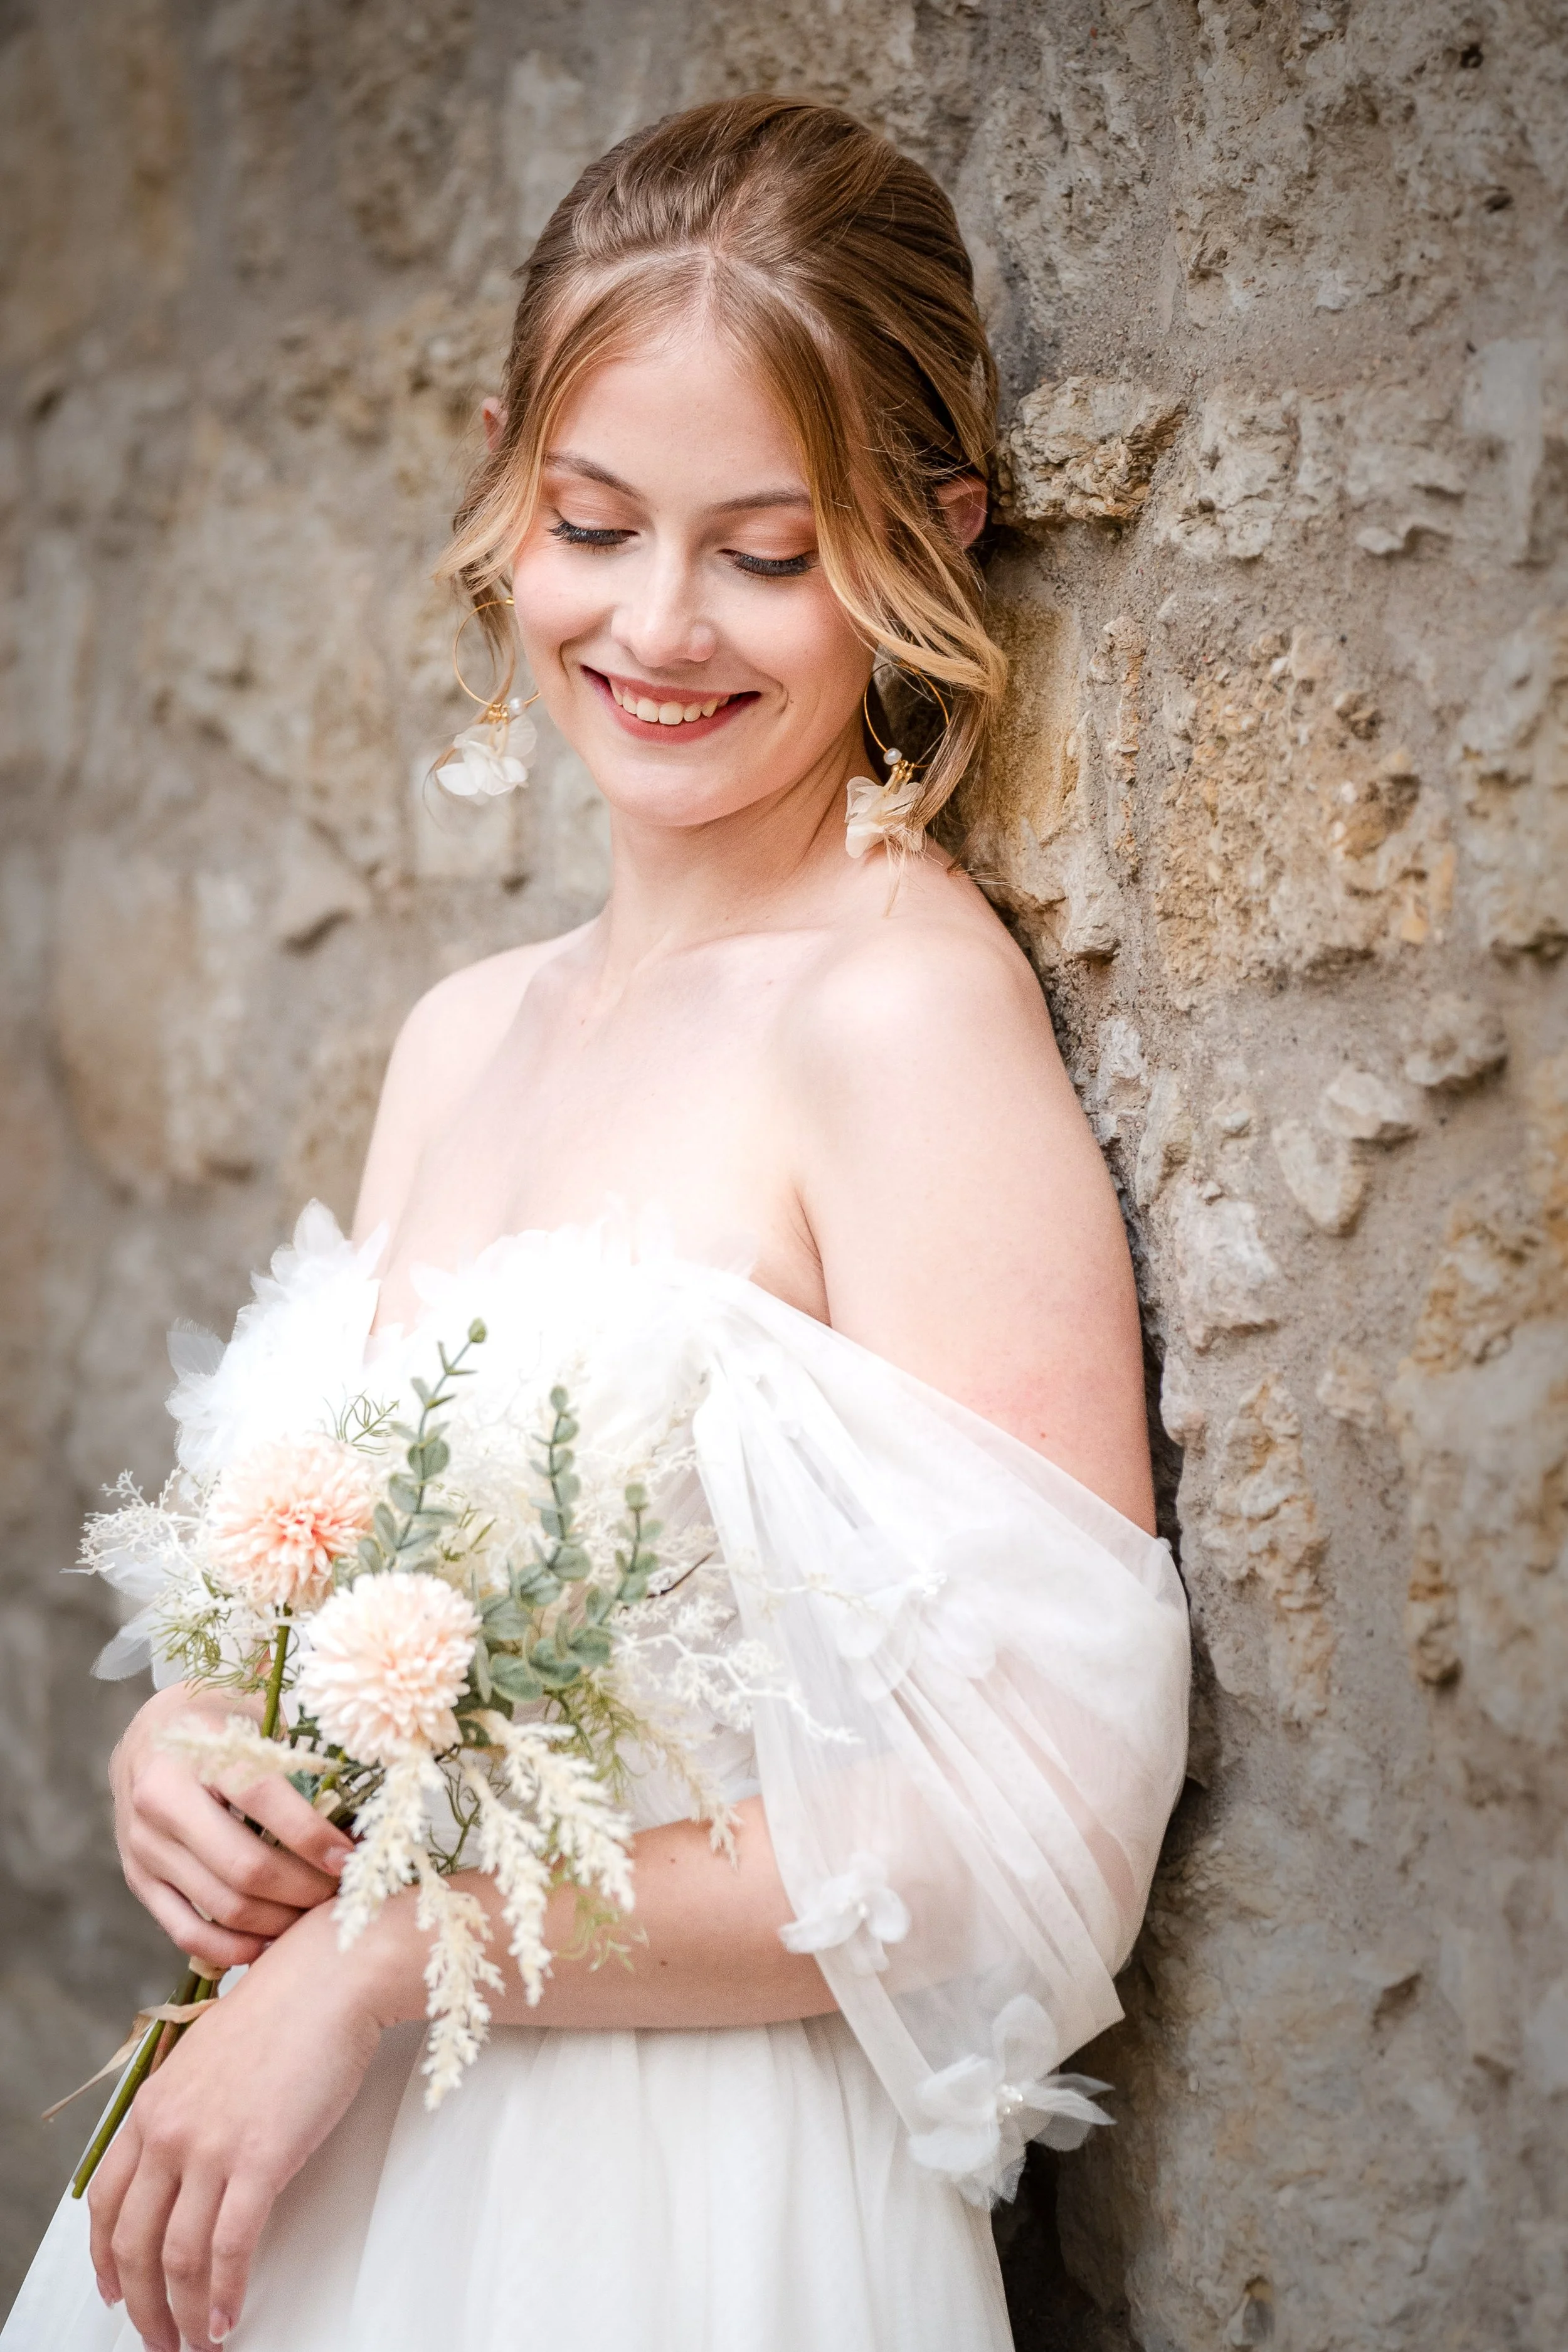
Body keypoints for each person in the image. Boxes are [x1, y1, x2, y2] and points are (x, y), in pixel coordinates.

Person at [4, 95, 1189, 2352]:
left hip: (662, 2206)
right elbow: (335, 1595)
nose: (658, 623)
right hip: (291, 2172)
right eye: (594, 522)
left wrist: (383, 1948)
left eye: (766, 547)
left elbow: (1016, 1829)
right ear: (500, 489)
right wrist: (192, 1756)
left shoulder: (900, 1018)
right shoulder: (461, 1034)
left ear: (925, 540)